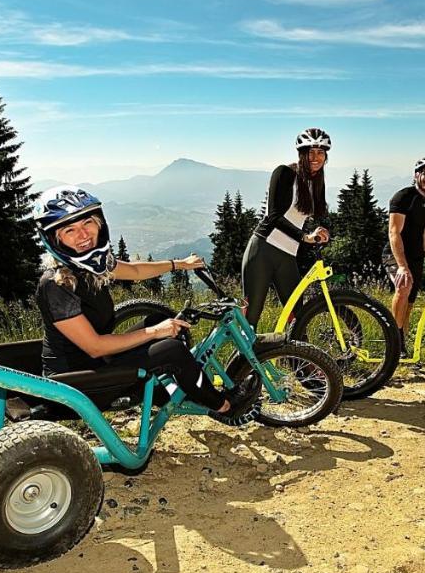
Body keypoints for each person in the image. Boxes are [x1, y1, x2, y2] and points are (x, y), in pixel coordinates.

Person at [34, 186, 255, 418]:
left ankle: (164, 392)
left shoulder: (89, 266)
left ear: (100, 223)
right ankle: (224, 407)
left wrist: (180, 264)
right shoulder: (56, 285)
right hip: (78, 380)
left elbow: (137, 270)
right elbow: (95, 346)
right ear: (55, 239)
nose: (84, 235)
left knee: (158, 319)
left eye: (87, 223)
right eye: (70, 230)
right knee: (172, 349)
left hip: (97, 362)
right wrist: (154, 333)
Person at [240, 128, 332, 328]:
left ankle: (297, 359)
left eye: (321, 152)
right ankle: (242, 359)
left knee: (298, 318)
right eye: (311, 152)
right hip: (263, 250)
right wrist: (305, 237)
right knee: (251, 317)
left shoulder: (316, 182)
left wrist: (320, 230)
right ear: (302, 153)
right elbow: (274, 217)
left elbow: (311, 215)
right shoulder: (285, 173)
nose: (316, 157)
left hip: (287, 255)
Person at [386, 156, 425, 342]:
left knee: (410, 303)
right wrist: (402, 266)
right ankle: (393, 341)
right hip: (395, 254)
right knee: (403, 288)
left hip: (416, 256)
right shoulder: (403, 197)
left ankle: (402, 341)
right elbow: (394, 232)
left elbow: (423, 228)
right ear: (416, 175)